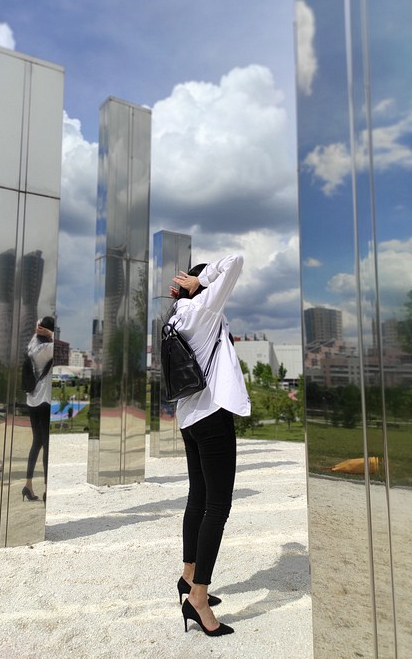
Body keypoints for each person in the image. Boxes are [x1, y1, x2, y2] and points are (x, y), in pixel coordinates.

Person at [168, 253, 251, 637]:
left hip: (188, 417)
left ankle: (188, 576)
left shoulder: (176, 315)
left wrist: (195, 286)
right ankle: (198, 598)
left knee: (198, 498)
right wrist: (202, 281)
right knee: (218, 506)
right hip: (212, 415)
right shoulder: (203, 306)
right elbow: (235, 260)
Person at [23, 316, 54, 503]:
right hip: (44, 400)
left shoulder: (32, 344)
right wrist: (51, 334)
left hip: (31, 400)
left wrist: (45, 332)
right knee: (47, 445)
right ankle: (46, 488)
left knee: (36, 442)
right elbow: (60, 348)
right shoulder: (46, 348)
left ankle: (28, 484)